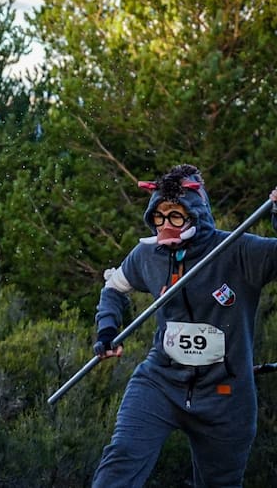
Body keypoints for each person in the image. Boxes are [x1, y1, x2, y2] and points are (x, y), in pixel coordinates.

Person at [91, 164, 277, 487]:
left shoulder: (237, 251)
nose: (166, 225)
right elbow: (114, 287)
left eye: (176, 216)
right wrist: (108, 329)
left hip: (226, 395)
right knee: (119, 463)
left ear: (196, 214)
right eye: (159, 217)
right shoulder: (147, 255)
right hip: (161, 382)